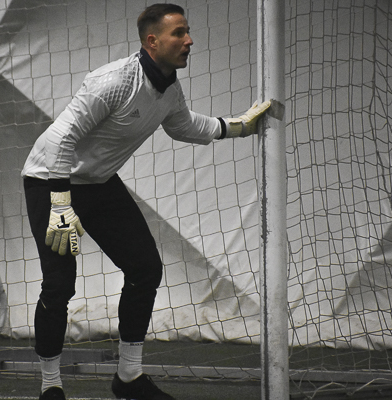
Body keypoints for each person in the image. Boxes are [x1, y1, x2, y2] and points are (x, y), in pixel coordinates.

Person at [21, 3, 271, 400]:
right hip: (51, 179)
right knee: (59, 285)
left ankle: (129, 377)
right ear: (152, 41)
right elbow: (59, 139)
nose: (189, 41)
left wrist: (238, 126)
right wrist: (61, 204)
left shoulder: (169, 87)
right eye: (179, 33)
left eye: (188, 32)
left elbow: (184, 125)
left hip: (98, 182)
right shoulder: (113, 81)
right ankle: (51, 385)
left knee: (145, 268)